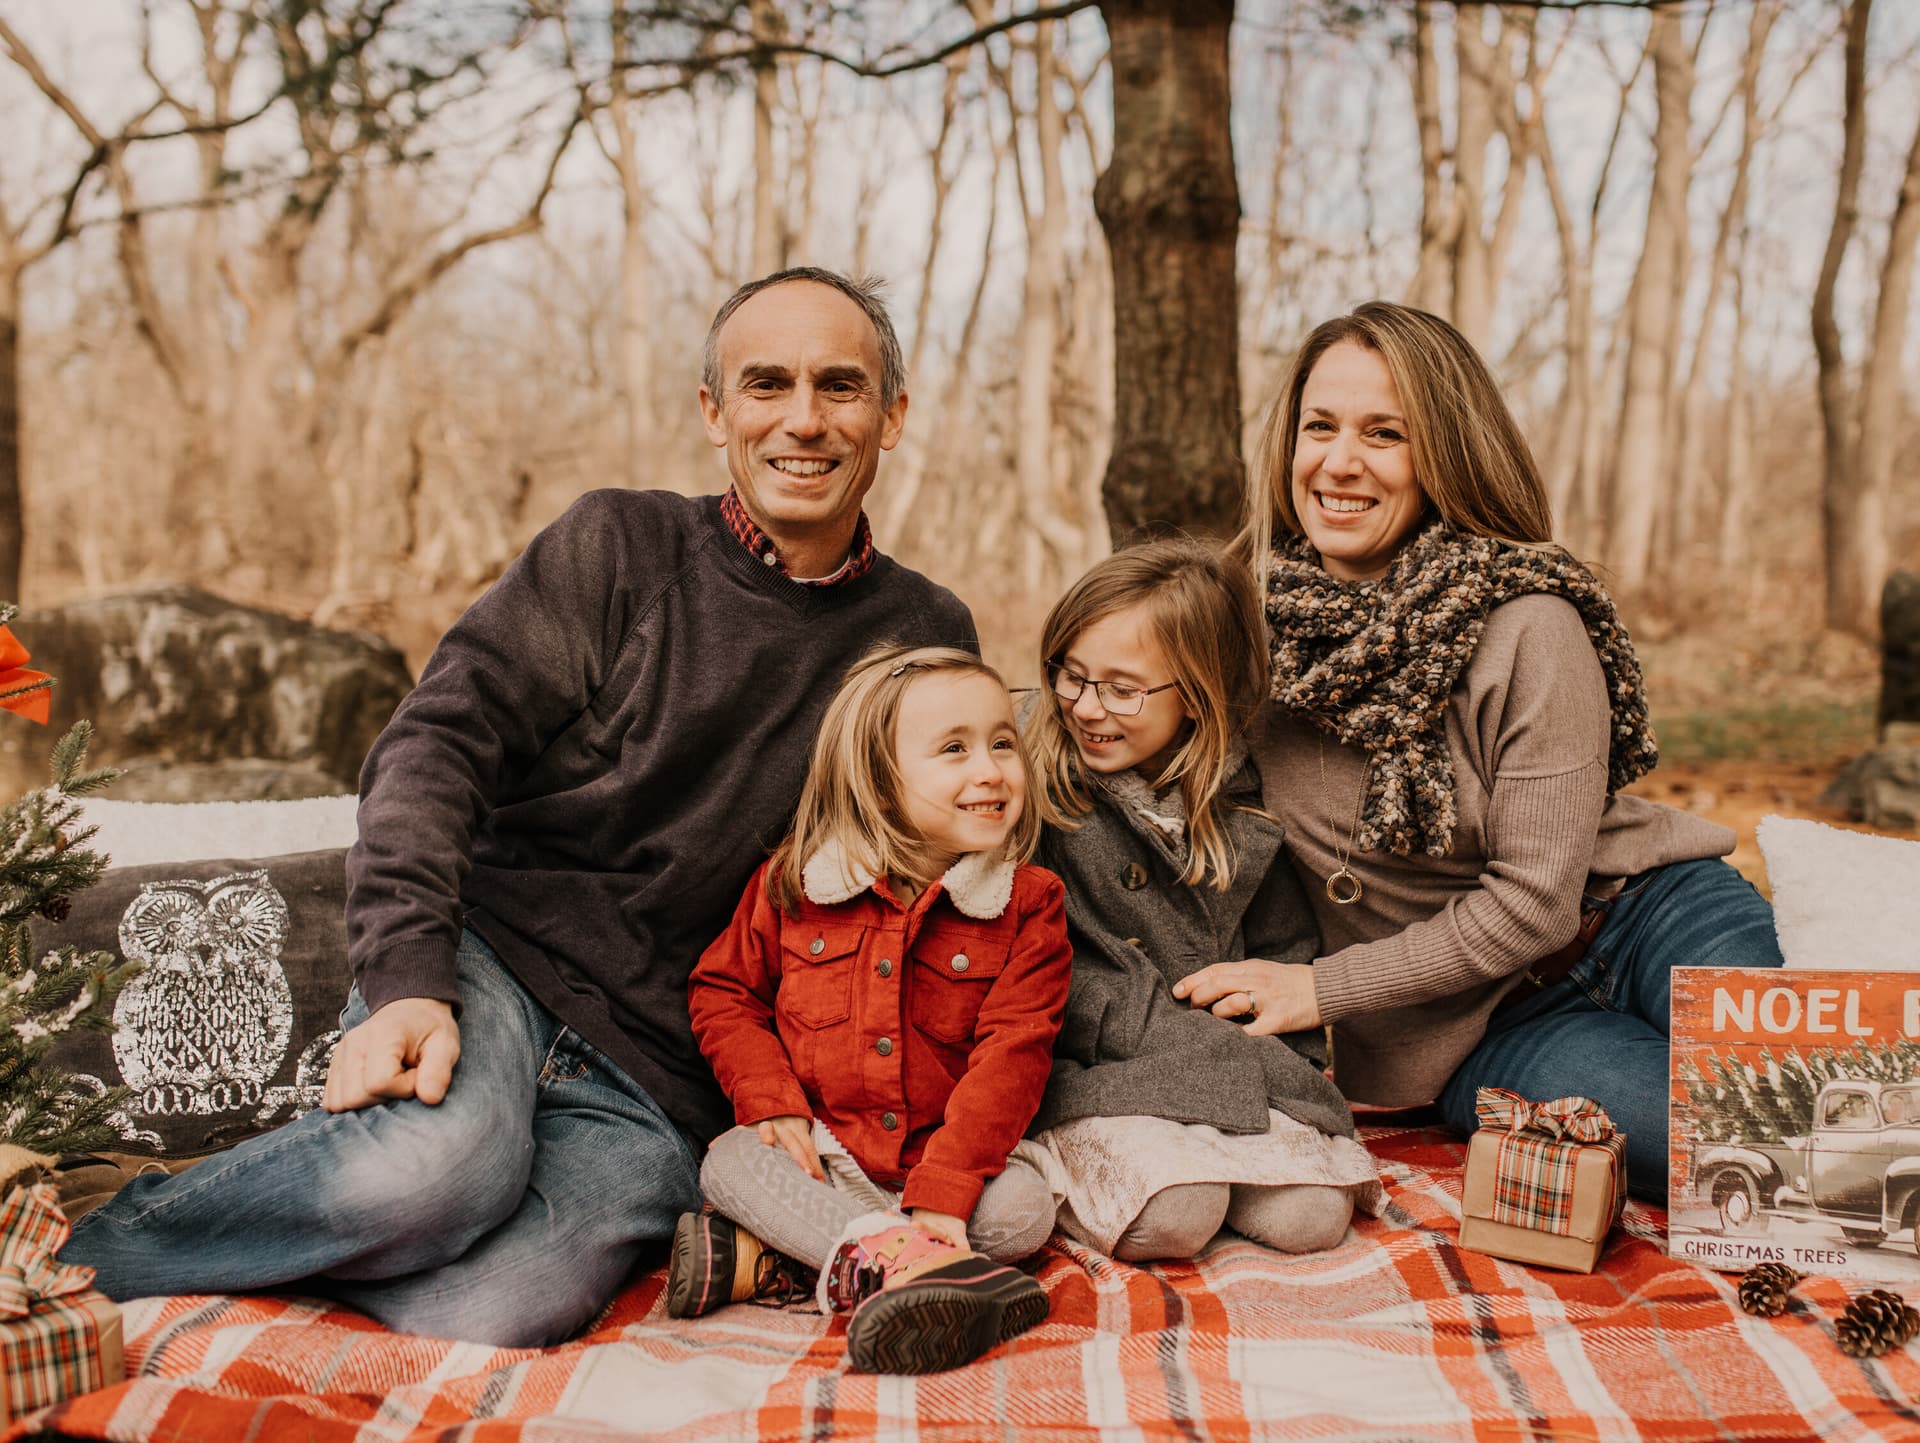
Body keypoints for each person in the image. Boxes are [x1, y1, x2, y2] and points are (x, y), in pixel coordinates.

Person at [59, 268, 979, 1347]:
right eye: (766, 384)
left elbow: (946, 881)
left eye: (842, 386)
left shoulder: (923, 635)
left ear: (894, 416)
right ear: (714, 413)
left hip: (669, 1066)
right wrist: (407, 978)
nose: (805, 419)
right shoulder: (617, 550)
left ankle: (309, 1222)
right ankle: (62, 1252)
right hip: (497, 961)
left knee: (491, 1307)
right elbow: (437, 743)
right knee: (422, 1183)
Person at [1185, 300, 1783, 1198]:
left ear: (1445, 454)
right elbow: (1103, 717)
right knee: (1740, 1143)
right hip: (1482, 1027)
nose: (1341, 461)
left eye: (1385, 433)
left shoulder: (1525, 620)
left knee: (1831, 1092)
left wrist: (1319, 988)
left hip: (1642, 912)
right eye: (1321, 426)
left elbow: (1538, 902)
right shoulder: (1231, 638)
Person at [672, 643, 1065, 1375]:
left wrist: (944, 1196)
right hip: (825, 1153)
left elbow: (1015, 1052)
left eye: (1002, 742)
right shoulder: (796, 880)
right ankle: (920, 1271)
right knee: (729, 1162)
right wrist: (769, 1099)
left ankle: (781, 1259)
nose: (991, 769)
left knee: (1025, 1208)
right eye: (955, 749)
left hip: (941, 1163)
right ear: (881, 785)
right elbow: (724, 992)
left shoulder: (1028, 902)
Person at [1022, 541, 1381, 1261]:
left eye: (1122, 689)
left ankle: (1215, 1150)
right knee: (1178, 1216)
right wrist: (1147, 1028)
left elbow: (1283, 946)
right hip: (1099, 1065)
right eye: (1073, 675)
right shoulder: (1037, 790)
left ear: (1197, 693)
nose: (1087, 707)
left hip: (1226, 1057)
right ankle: (1080, 1172)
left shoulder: (1237, 803)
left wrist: (1289, 1055)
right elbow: (1024, 964)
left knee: (1313, 1217)